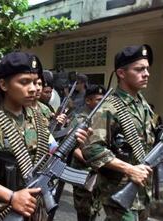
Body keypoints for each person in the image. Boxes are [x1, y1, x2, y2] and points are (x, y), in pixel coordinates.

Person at [0, 52, 90, 220]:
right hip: (0, 211)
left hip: (34, 208)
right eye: (24, 82)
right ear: (3, 85)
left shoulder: (37, 114)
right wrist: (12, 196)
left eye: (34, 82)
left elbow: (48, 151)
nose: (33, 88)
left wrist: (73, 142)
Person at [83, 44, 156, 221]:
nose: (146, 73)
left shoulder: (142, 104)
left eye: (146, 68)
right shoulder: (109, 107)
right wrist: (130, 169)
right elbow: (92, 149)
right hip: (119, 191)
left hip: (142, 190)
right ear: (121, 73)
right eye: (139, 69)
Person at [70, 84, 106, 221]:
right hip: (83, 172)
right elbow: (74, 149)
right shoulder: (79, 119)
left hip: (98, 172)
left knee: (95, 208)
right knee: (84, 211)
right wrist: (91, 161)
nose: (102, 102)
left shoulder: (102, 118)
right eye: (98, 99)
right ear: (88, 101)